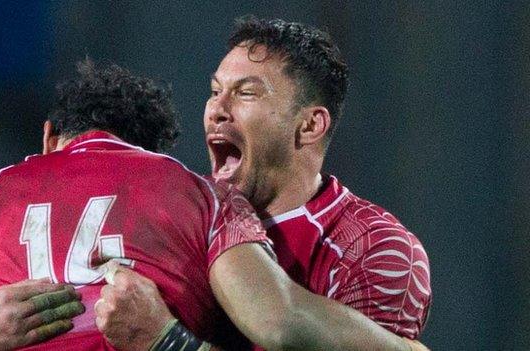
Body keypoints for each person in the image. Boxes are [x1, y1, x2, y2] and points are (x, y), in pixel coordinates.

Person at [86, 16, 432, 350]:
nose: (217, 110)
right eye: (215, 91)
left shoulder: (375, 250)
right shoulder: (177, 217)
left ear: (310, 126)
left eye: (246, 93)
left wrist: (168, 342)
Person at [0, 60, 275, 350]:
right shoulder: (202, 197)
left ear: (48, 138)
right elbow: (281, 329)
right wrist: (169, 342)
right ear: (149, 151)